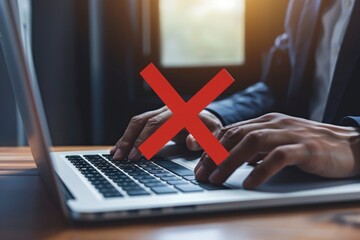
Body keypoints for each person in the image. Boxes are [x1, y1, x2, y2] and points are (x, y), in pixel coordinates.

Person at [111, 0, 360, 189]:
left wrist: (355, 143)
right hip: (291, 180)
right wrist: (213, 114)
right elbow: (275, 87)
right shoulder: (302, 6)